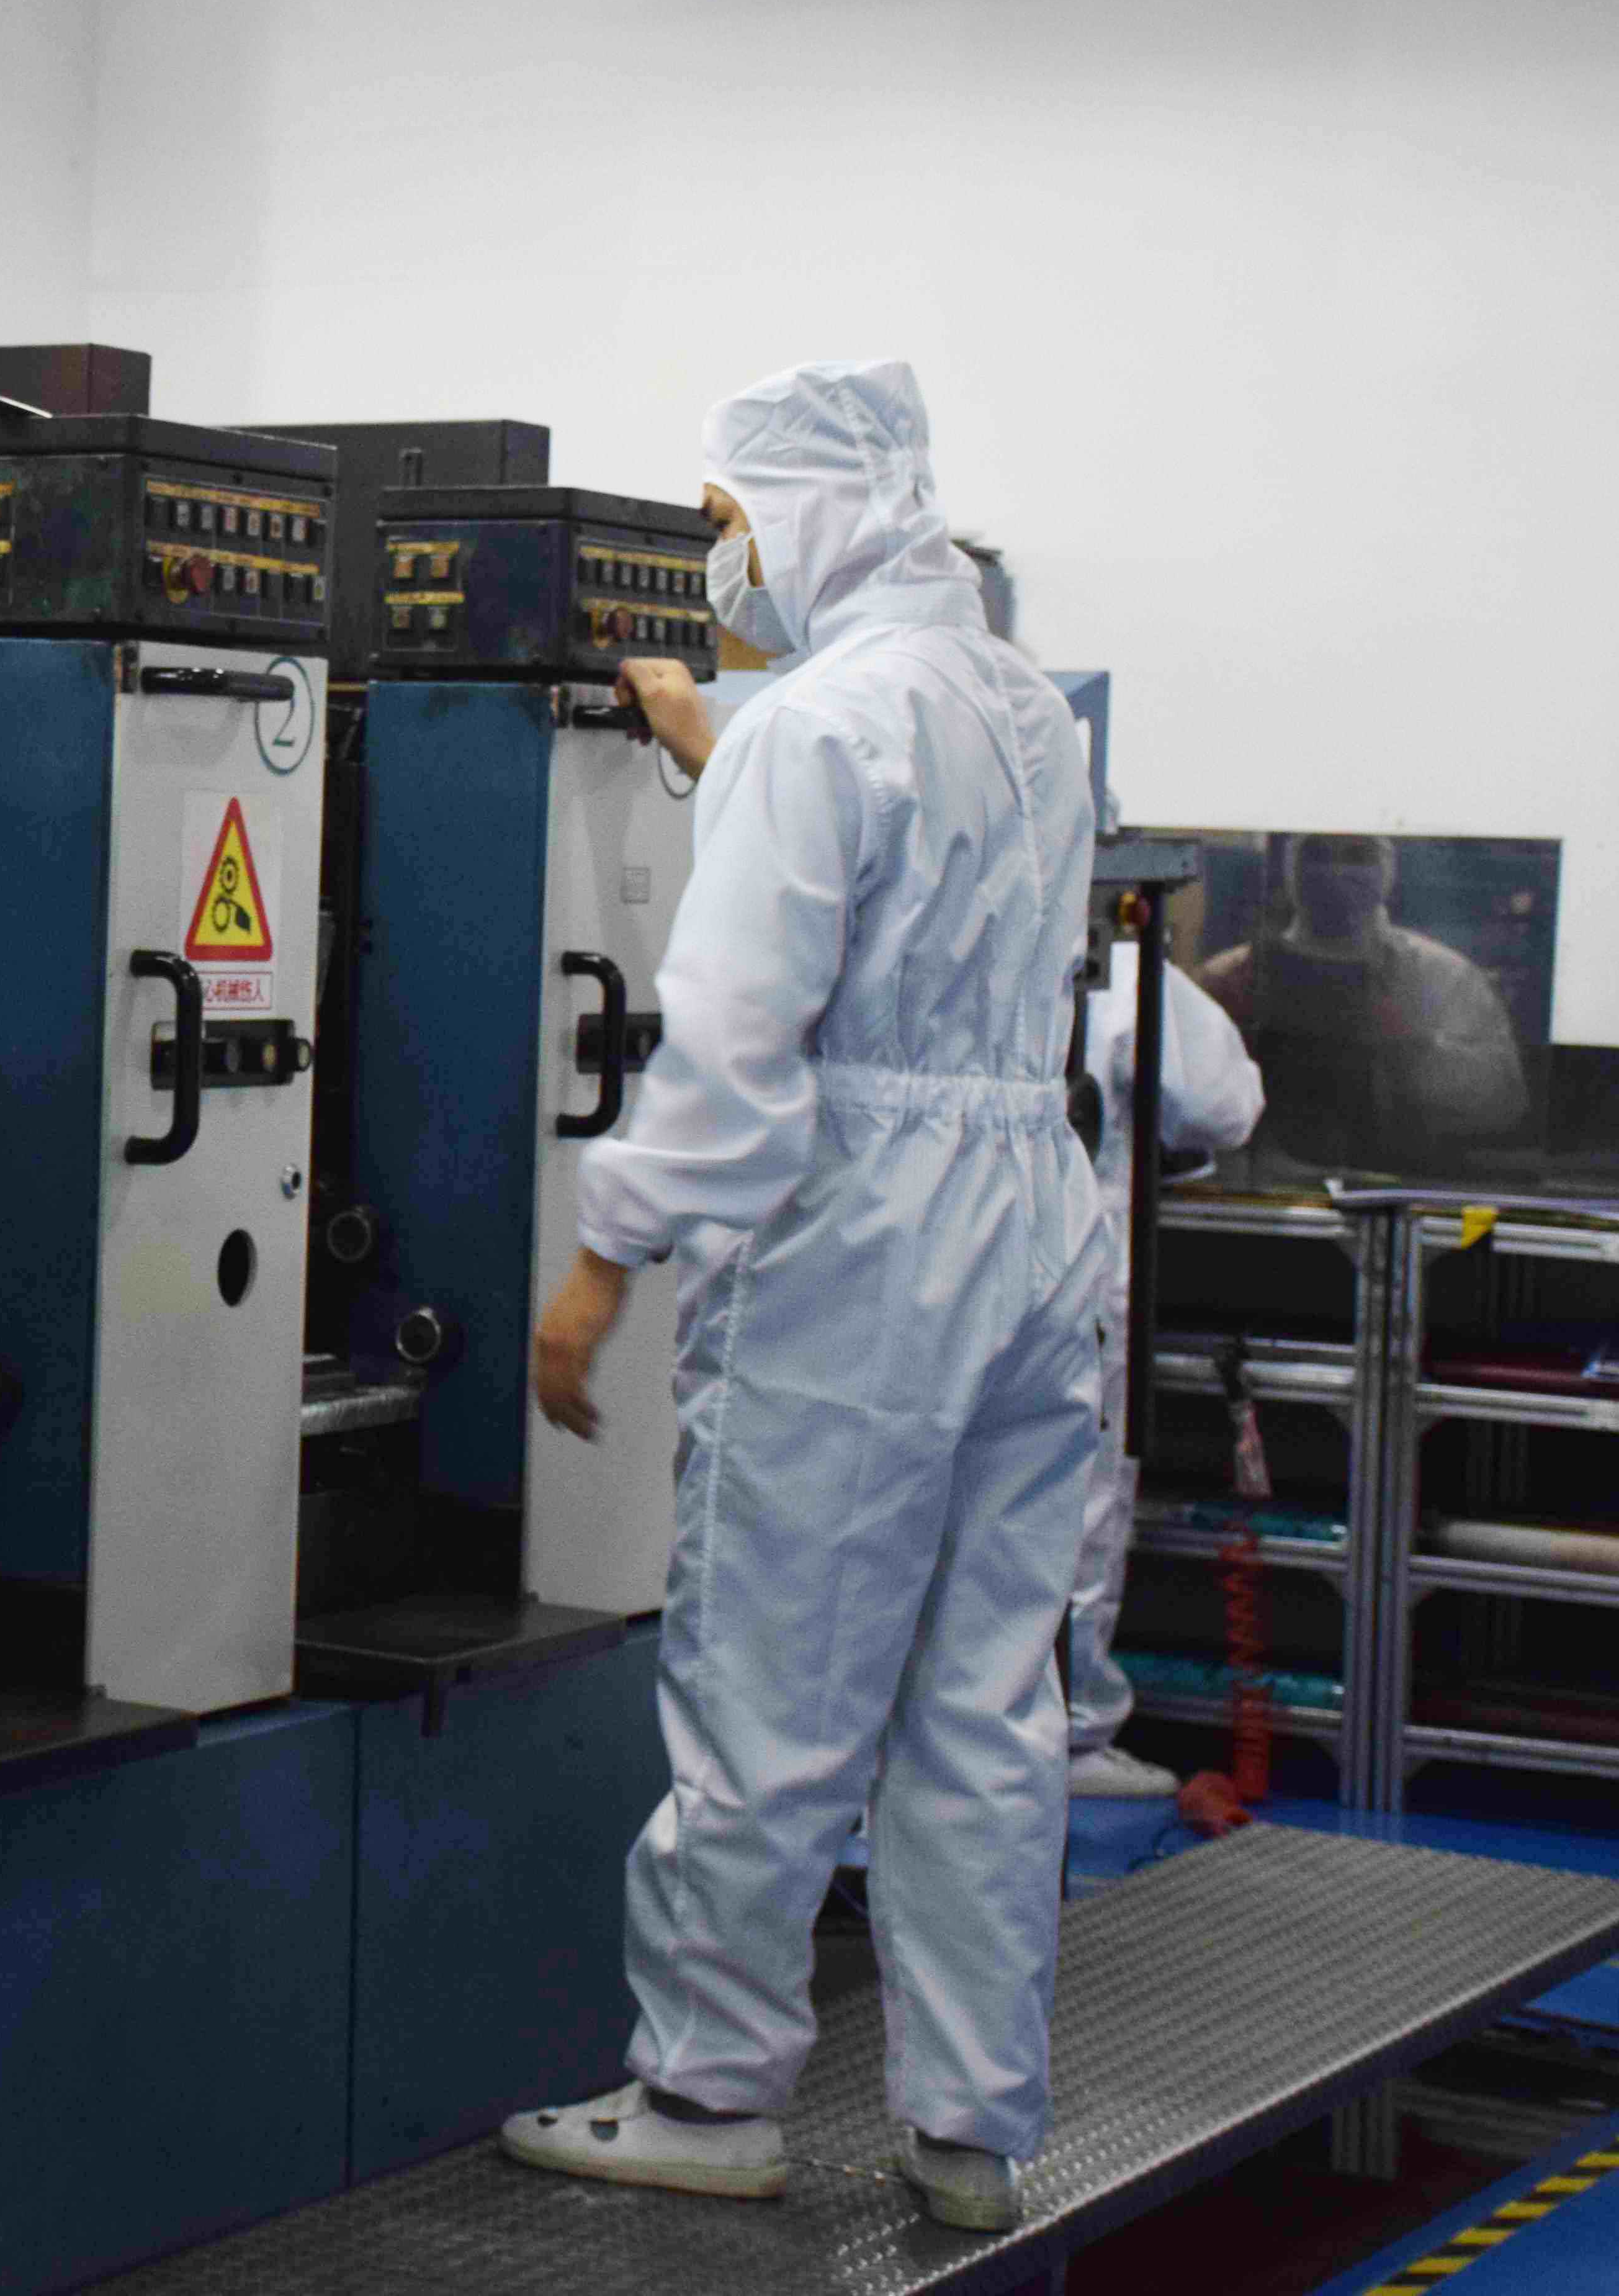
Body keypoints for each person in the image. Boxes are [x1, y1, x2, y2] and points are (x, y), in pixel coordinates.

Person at [511, 361, 1110, 2235]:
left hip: (862, 1240)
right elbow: (905, 895)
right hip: (1033, 1218)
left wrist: (600, 1261)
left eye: (724, 520)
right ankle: (969, 2128)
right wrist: (723, 744)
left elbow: (735, 1043)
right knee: (981, 1698)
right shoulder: (1023, 707)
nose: (719, 559)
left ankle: (707, 2092)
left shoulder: (815, 727)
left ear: (813, 508)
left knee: (769, 1678)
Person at [1064, 940, 1266, 1798]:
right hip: (1074, 1278)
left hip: (930, 1275)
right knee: (1074, 1510)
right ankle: (1066, 1737)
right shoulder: (1117, 962)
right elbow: (1219, 1104)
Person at [1195, 834, 1528, 1174]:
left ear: (1388, 868)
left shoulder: (1444, 978)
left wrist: (1414, 1051)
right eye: (1318, 853)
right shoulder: (1229, 980)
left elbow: (1502, 1102)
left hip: (1403, 1183)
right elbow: (1193, 1105)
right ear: (1289, 866)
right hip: (1267, 1189)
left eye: (1358, 855)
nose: (1337, 871)